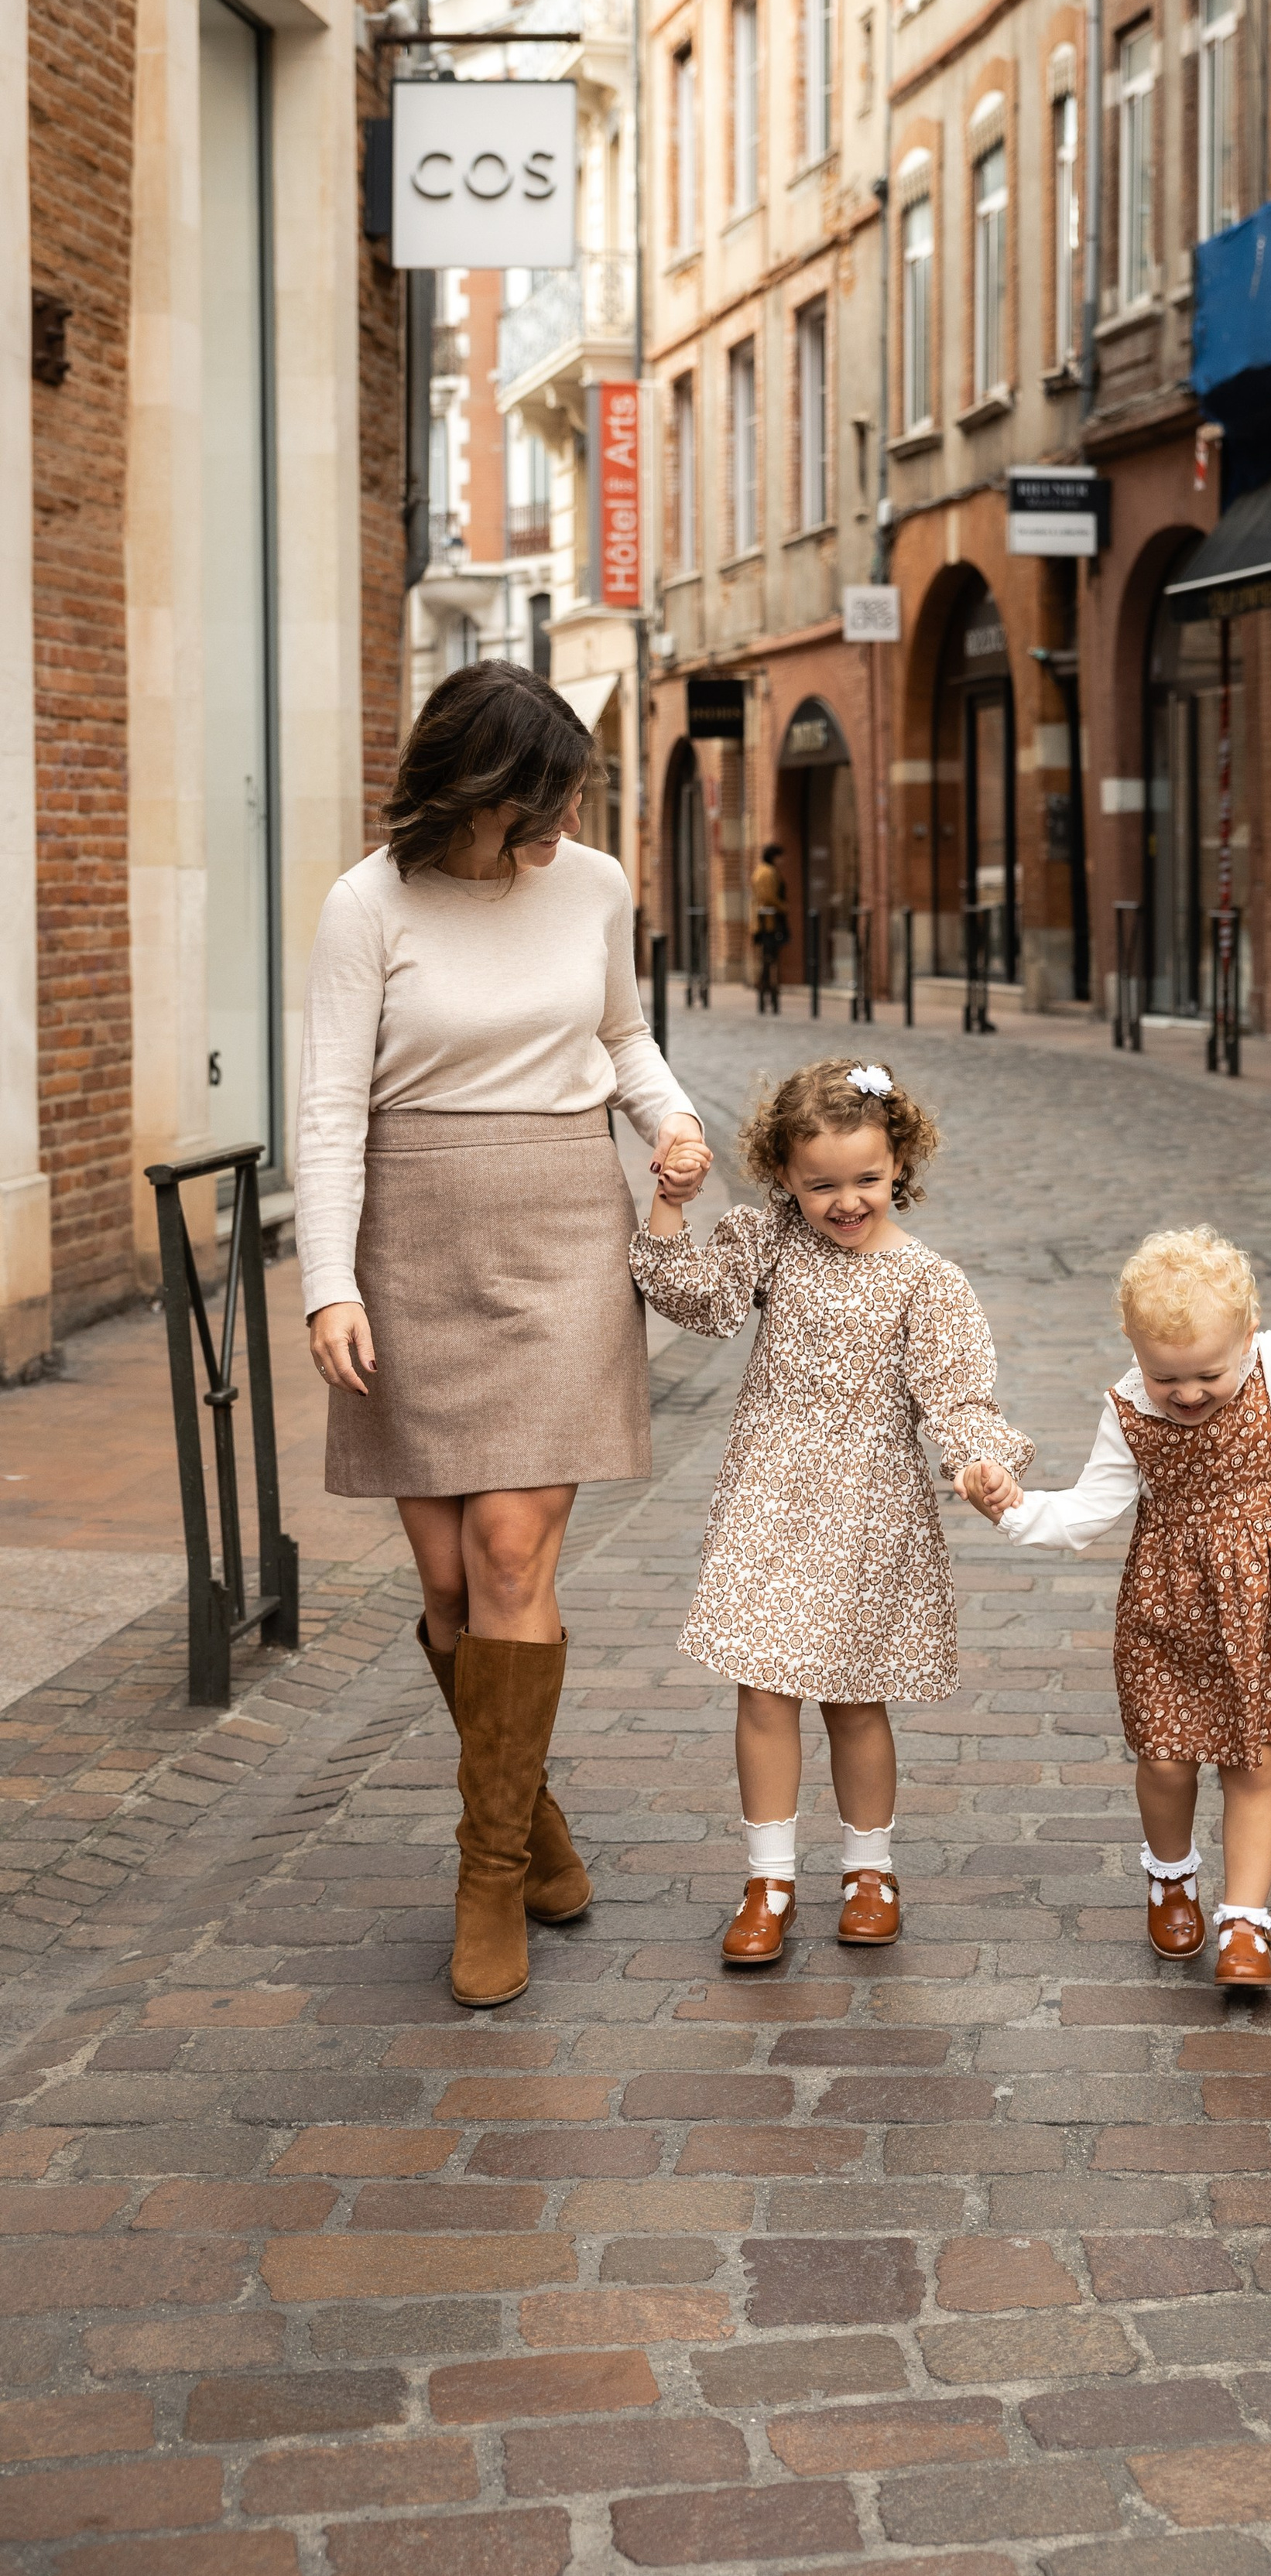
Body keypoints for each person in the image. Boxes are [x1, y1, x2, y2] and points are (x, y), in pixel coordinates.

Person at [296, 662, 711, 2012]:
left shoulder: (589, 885)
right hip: (411, 1241)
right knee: (447, 1591)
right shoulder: (367, 904)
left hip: (558, 1231)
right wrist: (327, 1282)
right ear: (476, 786)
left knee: (512, 1548)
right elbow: (330, 1109)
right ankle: (535, 1831)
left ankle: (486, 1880)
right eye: (542, 798)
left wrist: (669, 1120)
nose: (562, 821)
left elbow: (624, 1033)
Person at [630, 1056, 1030, 1964]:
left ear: (900, 1168)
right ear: (781, 1176)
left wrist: (980, 1464)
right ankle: (768, 1877)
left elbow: (958, 1397)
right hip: (768, 1499)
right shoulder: (769, 1239)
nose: (847, 1201)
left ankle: (867, 1869)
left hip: (868, 1512)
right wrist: (669, 1205)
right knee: (764, 1691)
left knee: (855, 1701)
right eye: (821, 1185)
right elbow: (696, 1301)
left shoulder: (927, 1282)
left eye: (867, 1180)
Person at [963, 1220, 1271, 1986]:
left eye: (1208, 1373)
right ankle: (1170, 1875)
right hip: (1166, 1610)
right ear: (1136, 1352)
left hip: (1265, 1603)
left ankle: (1244, 1922)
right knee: (1166, 1762)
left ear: (1248, 1337)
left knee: (1253, 1761)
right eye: (1167, 1377)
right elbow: (1086, 1514)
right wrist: (1011, 1507)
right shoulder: (1130, 1410)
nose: (1188, 1393)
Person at [752, 839, 790, 1011]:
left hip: (765, 920)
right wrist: (783, 907)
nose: (781, 861)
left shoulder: (762, 870)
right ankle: (765, 985)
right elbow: (769, 897)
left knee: (768, 956)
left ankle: (766, 987)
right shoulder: (767, 872)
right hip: (769, 921)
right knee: (769, 956)